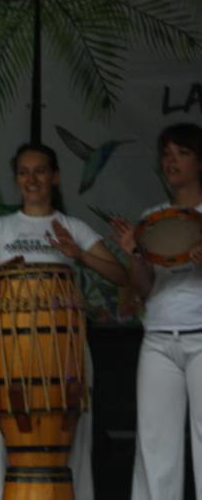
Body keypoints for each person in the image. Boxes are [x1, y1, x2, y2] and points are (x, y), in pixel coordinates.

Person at [0, 143, 128, 500]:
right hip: (12, 350)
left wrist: (79, 255)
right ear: (17, 179)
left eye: (40, 171)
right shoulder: (0, 229)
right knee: (15, 448)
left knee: (74, 444)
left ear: (55, 176)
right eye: (23, 172)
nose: (31, 179)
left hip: (64, 350)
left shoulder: (71, 226)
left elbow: (121, 276)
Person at [110, 123, 202, 500]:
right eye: (166, 154)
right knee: (154, 442)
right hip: (159, 338)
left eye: (182, 153)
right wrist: (134, 253)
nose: (171, 161)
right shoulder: (153, 217)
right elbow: (144, 288)